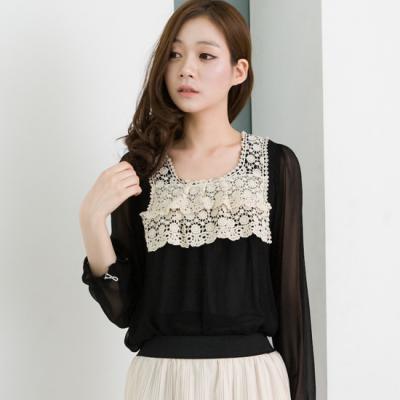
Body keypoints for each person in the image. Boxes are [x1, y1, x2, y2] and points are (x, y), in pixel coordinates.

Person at [79, 1, 316, 399]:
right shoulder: (141, 168)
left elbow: (293, 306)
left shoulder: (276, 164)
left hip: (252, 381)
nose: (186, 69)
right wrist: (90, 220)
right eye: (174, 55)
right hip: (161, 382)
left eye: (205, 56)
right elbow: (124, 309)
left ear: (239, 71)